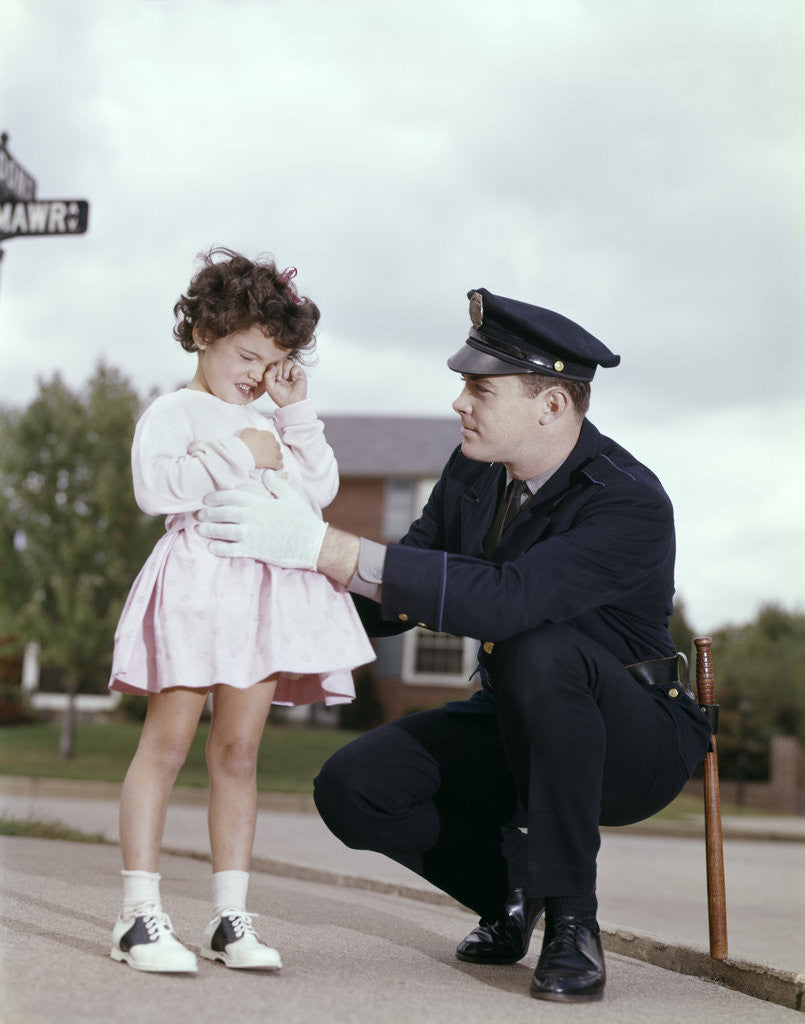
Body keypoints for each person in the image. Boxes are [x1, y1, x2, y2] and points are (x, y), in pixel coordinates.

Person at [196, 286, 713, 1002]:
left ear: (551, 404)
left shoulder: (625, 500)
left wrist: (324, 545)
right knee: (355, 788)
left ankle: (572, 924)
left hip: (631, 740)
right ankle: (509, 894)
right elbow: (403, 595)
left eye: (478, 387)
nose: (457, 403)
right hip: (518, 718)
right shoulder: (473, 471)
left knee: (536, 646)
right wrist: (278, 579)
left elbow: (509, 602)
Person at [108, 247, 374, 975]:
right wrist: (238, 452)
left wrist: (293, 413)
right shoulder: (174, 410)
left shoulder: (271, 419)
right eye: (248, 354)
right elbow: (155, 491)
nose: (255, 372)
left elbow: (316, 490)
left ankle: (229, 917)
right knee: (165, 745)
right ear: (203, 335)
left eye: (272, 361)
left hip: (259, 599)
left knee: (239, 753)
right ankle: (137, 915)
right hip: (196, 590)